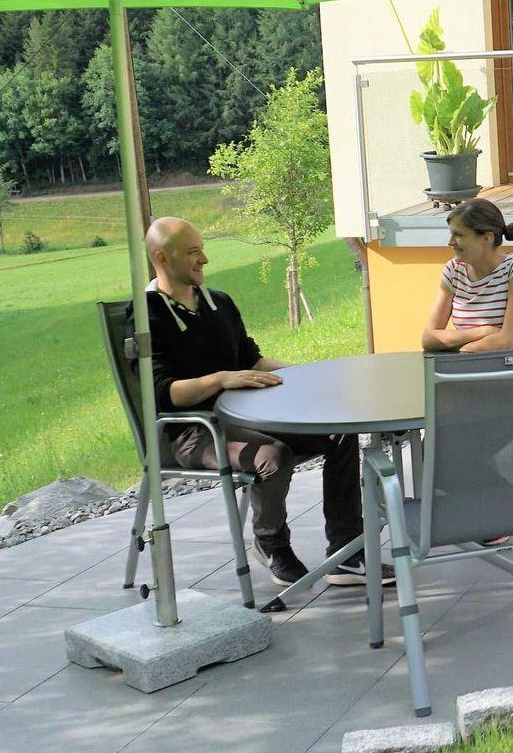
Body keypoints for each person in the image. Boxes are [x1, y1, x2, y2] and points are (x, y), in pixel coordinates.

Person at [139, 216, 373, 589]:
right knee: (272, 456)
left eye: (202, 249)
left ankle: (346, 553)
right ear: (161, 257)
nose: (204, 259)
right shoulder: (145, 316)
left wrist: (312, 374)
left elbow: (253, 362)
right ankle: (271, 544)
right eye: (193, 252)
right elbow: (163, 392)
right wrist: (219, 379)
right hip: (195, 432)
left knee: (340, 433)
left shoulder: (219, 302)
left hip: (250, 416)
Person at [423, 198, 513, 353]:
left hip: (507, 366)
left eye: (458, 234)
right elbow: (429, 339)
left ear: (487, 238)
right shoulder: (453, 270)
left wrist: (459, 349)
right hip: (466, 366)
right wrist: (485, 331)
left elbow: (507, 342)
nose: (450, 242)